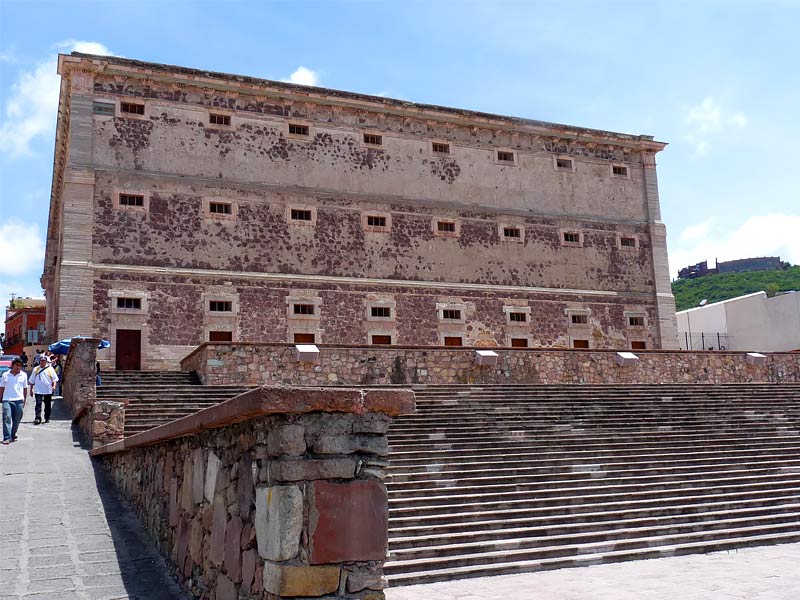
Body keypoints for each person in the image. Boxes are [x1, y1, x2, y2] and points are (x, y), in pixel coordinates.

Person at [1, 358, 28, 444]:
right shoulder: (5, 375)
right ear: (13, 365)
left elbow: (25, 389)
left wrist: (24, 400)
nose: (18, 367)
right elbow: (1, 388)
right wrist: (0, 398)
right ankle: (7, 437)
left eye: (20, 366)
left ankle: (13, 434)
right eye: (16, 365)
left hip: (18, 400)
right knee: (6, 418)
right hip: (7, 400)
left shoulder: (23, 375)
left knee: (17, 419)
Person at [30, 355, 58, 425]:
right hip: (38, 390)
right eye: (41, 361)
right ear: (39, 361)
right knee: (38, 404)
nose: (42, 362)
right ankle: (38, 418)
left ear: (46, 361)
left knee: (47, 404)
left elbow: (54, 379)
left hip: (47, 390)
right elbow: (32, 380)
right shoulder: (36, 369)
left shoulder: (50, 369)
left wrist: (54, 386)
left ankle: (47, 417)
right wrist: (31, 390)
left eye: (44, 361)